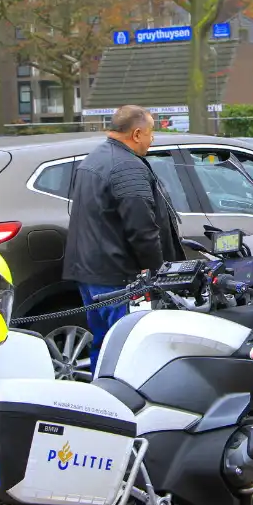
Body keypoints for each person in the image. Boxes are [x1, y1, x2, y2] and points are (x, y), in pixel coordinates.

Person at [63, 105, 185, 369]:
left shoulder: (94, 158)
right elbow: (142, 229)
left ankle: (100, 401)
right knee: (128, 351)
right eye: (151, 134)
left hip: (90, 273)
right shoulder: (127, 167)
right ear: (137, 133)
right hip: (119, 278)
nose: (152, 141)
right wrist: (158, 274)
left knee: (104, 344)